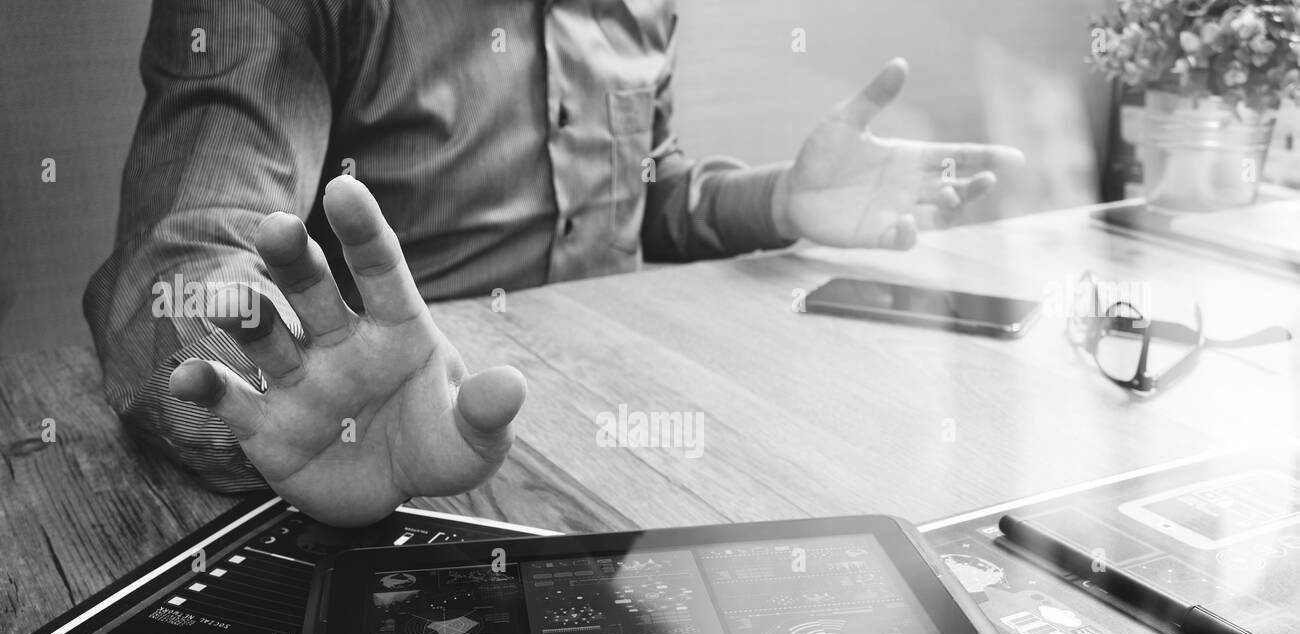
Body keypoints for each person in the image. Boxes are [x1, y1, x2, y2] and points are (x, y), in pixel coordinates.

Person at [85, 0, 1023, 526]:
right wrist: (282, 397)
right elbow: (191, 255)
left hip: (642, 455)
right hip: (398, 475)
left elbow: (642, 198)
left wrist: (779, 203)